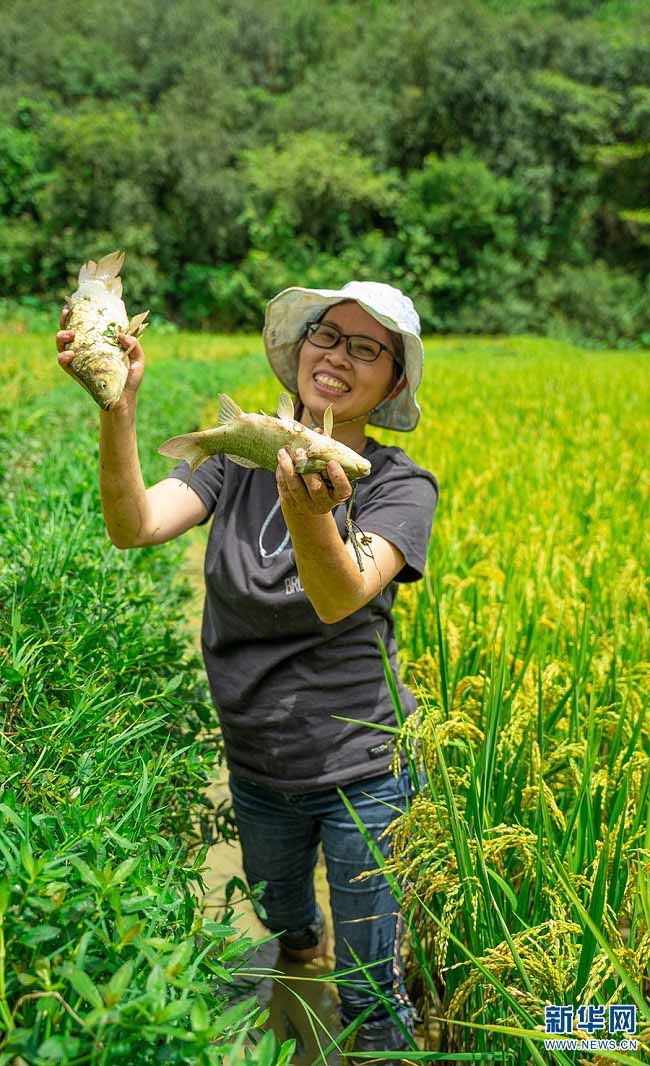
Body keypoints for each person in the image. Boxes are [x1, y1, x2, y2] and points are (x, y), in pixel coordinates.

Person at [56, 281, 439, 1054]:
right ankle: (302, 959)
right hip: (259, 756)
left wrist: (310, 510)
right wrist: (117, 407)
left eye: (367, 348)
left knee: (371, 994)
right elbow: (135, 526)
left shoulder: (399, 486)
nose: (338, 357)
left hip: (367, 763)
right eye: (327, 335)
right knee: (285, 922)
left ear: (393, 381)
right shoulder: (237, 457)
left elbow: (340, 596)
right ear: (301, 348)